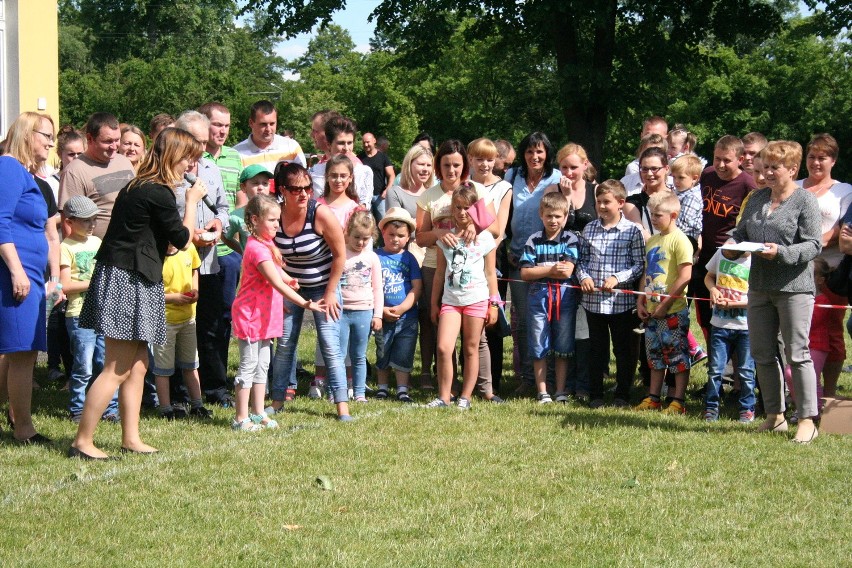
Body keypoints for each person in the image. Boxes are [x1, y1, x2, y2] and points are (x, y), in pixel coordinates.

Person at [68, 127, 206, 460]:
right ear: (174, 156)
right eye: (189, 158)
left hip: (132, 274)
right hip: (127, 279)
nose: (191, 166)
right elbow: (183, 237)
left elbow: (151, 235)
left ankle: (130, 437)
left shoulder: (139, 186)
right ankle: (82, 441)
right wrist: (191, 202)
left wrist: (166, 244)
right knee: (116, 365)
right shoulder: (157, 191)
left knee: (139, 363)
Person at [729, 140, 821, 443]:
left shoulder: (804, 200)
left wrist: (780, 252)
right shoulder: (756, 198)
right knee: (762, 353)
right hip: (759, 287)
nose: (766, 172)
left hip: (794, 288)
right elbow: (741, 233)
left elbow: (813, 245)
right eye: (764, 166)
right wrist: (732, 247)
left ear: (792, 169)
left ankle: (807, 418)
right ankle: (775, 416)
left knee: (797, 353)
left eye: (774, 167)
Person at [231, 194, 324, 431]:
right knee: (248, 366)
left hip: (265, 317)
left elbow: (280, 275)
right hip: (251, 316)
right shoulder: (256, 248)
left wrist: (290, 279)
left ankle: (258, 412)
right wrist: (305, 303)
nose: (276, 225)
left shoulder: (268, 245)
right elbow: (275, 282)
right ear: (254, 219)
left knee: (263, 365)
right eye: (272, 220)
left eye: (277, 220)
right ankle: (240, 418)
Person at [268, 162, 352, 421]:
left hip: (323, 284)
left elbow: (340, 255)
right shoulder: (274, 214)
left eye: (308, 188)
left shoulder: (321, 213)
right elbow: (268, 255)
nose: (304, 194)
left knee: (329, 343)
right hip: (290, 286)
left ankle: (342, 406)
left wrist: (329, 293)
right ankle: (278, 401)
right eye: (296, 189)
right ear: (283, 190)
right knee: (284, 344)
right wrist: (281, 289)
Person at [416, 140, 498, 394]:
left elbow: (495, 229)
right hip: (436, 266)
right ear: (438, 166)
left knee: (476, 339)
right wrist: (440, 234)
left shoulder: (476, 191)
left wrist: (476, 225)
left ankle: (484, 388)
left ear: (464, 165)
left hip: (473, 272)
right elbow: (420, 237)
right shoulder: (429, 195)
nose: (451, 170)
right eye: (446, 165)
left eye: (456, 165)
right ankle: (447, 389)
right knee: (441, 330)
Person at [0, 112, 58, 444]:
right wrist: (17, 269)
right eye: (45, 135)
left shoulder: (25, 174)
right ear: (26, 135)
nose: (51, 142)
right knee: (21, 352)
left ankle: (20, 422)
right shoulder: (8, 168)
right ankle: (23, 428)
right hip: (16, 276)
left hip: (30, 276)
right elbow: (1, 222)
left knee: (19, 351)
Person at [174, 111, 232, 406]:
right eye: (197, 141)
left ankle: (215, 388)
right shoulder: (169, 173)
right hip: (177, 265)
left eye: (204, 141)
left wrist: (219, 225)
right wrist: (188, 235)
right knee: (177, 327)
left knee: (210, 327)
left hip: (209, 262)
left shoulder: (210, 167)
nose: (202, 148)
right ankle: (178, 392)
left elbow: (223, 207)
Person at [428, 184, 499, 410]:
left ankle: (465, 397)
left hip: (476, 299)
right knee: (443, 347)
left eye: (467, 207)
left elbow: (491, 273)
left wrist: (494, 304)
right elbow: (440, 273)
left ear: (475, 208)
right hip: (450, 301)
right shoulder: (445, 239)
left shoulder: (486, 238)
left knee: (470, 348)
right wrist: (433, 302)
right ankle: (444, 396)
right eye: (457, 207)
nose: (461, 212)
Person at [577, 180, 645, 408]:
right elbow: (581, 261)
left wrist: (618, 278)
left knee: (622, 350)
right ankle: (596, 394)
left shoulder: (632, 231)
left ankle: (622, 394)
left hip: (620, 303)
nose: (602, 206)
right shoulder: (589, 229)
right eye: (598, 202)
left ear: (621, 203)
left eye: (607, 202)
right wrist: (584, 277)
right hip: (593, 303)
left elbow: (638, 264)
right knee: (596, 349)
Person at [796, 134, 852, 397]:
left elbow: (842, 229)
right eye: (811, 157)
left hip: (828, 273)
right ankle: (801, 392)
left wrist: (808, 247)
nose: (816, 162)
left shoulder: (844, 190)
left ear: (833, 160)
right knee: (797, 331)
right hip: (792, 268)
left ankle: (828, 392)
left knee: (830, 333)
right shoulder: (793, 186)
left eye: (822, 158)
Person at [506, 132, 561, 396]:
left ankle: (550, 379)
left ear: (547, 154)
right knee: (524, 321)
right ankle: (528, 378)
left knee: (548, 320)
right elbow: (504, 215)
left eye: (539, 151)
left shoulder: (557, 178)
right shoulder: (512, 177)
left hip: (549, 261)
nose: (534, 156)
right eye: (529, 151)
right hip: (518, 259)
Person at [60, 195, 120, 423]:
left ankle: (109, 408)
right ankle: (77, 408)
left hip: (102, 312)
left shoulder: (97, 242)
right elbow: (65, 285)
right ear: (70, 221)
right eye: (86, 220)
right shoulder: (65, 247)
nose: (91, 224)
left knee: (105, 364)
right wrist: (94, 282)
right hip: (78, 314)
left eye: (94, 219)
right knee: (83, 365)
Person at [634, 191, 693, 415]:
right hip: (651, 311)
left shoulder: (680, 240)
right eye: (651, 214)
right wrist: (641, 299)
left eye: (658, 215)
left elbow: (685, 275)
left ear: (673, 214)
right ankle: (653, 397)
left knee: (677, 355)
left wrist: (666, 304)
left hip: (672, 312)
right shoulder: (652, 241)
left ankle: (678, 400)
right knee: (655, 356)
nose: (654, 219)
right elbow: (647, 272)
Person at [692, 135, 755, 343]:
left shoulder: (748, 184)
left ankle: (734, 372)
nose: (720, 165)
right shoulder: (707, 175)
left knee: (731, 322)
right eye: (717, 158)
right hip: (704, 254)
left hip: (730, 258)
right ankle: (715, 367)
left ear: (740, 159)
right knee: (706, 316)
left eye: (726, 160)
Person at [519, 192, 579, 404]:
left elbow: (567, 272)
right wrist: (552, 268)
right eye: (549, 216)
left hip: (564, 297)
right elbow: (525, 273)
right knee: (538, 341)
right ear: (541, 215)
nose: (553, 221)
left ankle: (561, 390)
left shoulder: (570, 239)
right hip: (538, 297)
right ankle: (542, 390)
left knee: (563, 344)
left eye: (558, 217)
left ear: (565, 217)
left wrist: (541, 269)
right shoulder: (533, 240)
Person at [199, 102, 245, 373]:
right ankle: (193, 375)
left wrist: (240, 243)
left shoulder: (234, 156)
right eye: (217, 124)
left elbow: (239, 198)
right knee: (195, 315)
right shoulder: (193, 156)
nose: (223, 131)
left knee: (224, 315)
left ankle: (218, 373)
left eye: (227, 126)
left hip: (227, 251)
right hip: (196, 247)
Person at [151, 238, 214, 421]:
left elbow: (194, 269)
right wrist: (173, 298)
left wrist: (195, 290)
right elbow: (150, 292)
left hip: (188, 318)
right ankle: (165, 409)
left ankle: (197, 405)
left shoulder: (189, 249)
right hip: (164, 321)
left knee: (191, 364)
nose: (172, 243)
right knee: (163, 369)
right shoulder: (154, 256)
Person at [468, 138, 512, 396]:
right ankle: (467, 380)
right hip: (465, 255)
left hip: (493, 254)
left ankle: (492, 381)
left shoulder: (504, 187)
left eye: (490, 159)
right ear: (470, 159)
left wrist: (486, 253)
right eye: (480, 158)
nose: (485, 164)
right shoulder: (463, 186)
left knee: (490, 317)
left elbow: (499, 228)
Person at [59, 112, 136, 239]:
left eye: (117, 140)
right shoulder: (75, 171)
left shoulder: (125, 162)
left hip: (131, 245)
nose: (114, 146)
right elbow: (68, 222)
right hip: (98, 252)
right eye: (107, 141)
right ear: (90, 139)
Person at [702, 247, 755, 422]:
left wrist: (733, 304)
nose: (729, 248)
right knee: (716, 370)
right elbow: (709, 276)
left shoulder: (755, 261)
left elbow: (756, 296)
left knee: (746, 371)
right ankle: (711, 407)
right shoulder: (721, 253)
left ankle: (747, 409)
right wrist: (713, 290)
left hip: (745, 327)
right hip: (719, 324)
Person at [375, 208, 423, 402]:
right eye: (391, 234)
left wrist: (403, 307)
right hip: (382, 315)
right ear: (383, 233)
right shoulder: (375, 257)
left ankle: (402, 388)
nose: (395, 239)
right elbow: (369, 287)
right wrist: (380, 310)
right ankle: (382, 387)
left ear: (408, 237)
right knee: (382, 351)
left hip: (407, 318)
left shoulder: (409, 258)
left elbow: (417, 287)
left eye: (401, 236)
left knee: (404, 353)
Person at [338, 211, 383, 403]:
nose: (360, 243)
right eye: (356, 237)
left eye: (366, 238)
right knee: (338, 355)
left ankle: (359, 393)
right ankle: (337, 391)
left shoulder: (372, 258)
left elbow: (378, 288)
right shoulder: (340, 253)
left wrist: (378, 314)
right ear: (347, 233)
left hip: (364, 311)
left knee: (358, 354)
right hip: (340, 311)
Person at [386, 143, 435, 265]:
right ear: (409, 164)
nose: (425, 169)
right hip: (405, 256)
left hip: (434, 253)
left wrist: (412, 222)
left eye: (429, 165)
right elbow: (396, 228)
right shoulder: (395, 192)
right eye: (421, 164)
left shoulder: (434, 193)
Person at [233, 100, 306, 171]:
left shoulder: (292, 147)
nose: (268, 129)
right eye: (263, 124)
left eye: (272, 124)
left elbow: (304, 180)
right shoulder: (236, 154)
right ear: (251, 123)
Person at [223, 165, 273, 254]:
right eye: (255, 183)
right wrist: (243, 252)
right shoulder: (235, 216)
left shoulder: (277, 211)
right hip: (251, 266)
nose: (261, 187)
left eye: (265, 183)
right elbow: (226, 237)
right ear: (243, 187)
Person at [359, 132, 395, 222]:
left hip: (379, 196)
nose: (366, 145)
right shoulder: (359, 158)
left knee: (384, 223)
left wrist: (387, 190)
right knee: (366, 223)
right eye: (364, 143)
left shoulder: (383, 157)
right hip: (365, 198)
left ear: (374, 141)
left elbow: (391, 175)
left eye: (368, 142)